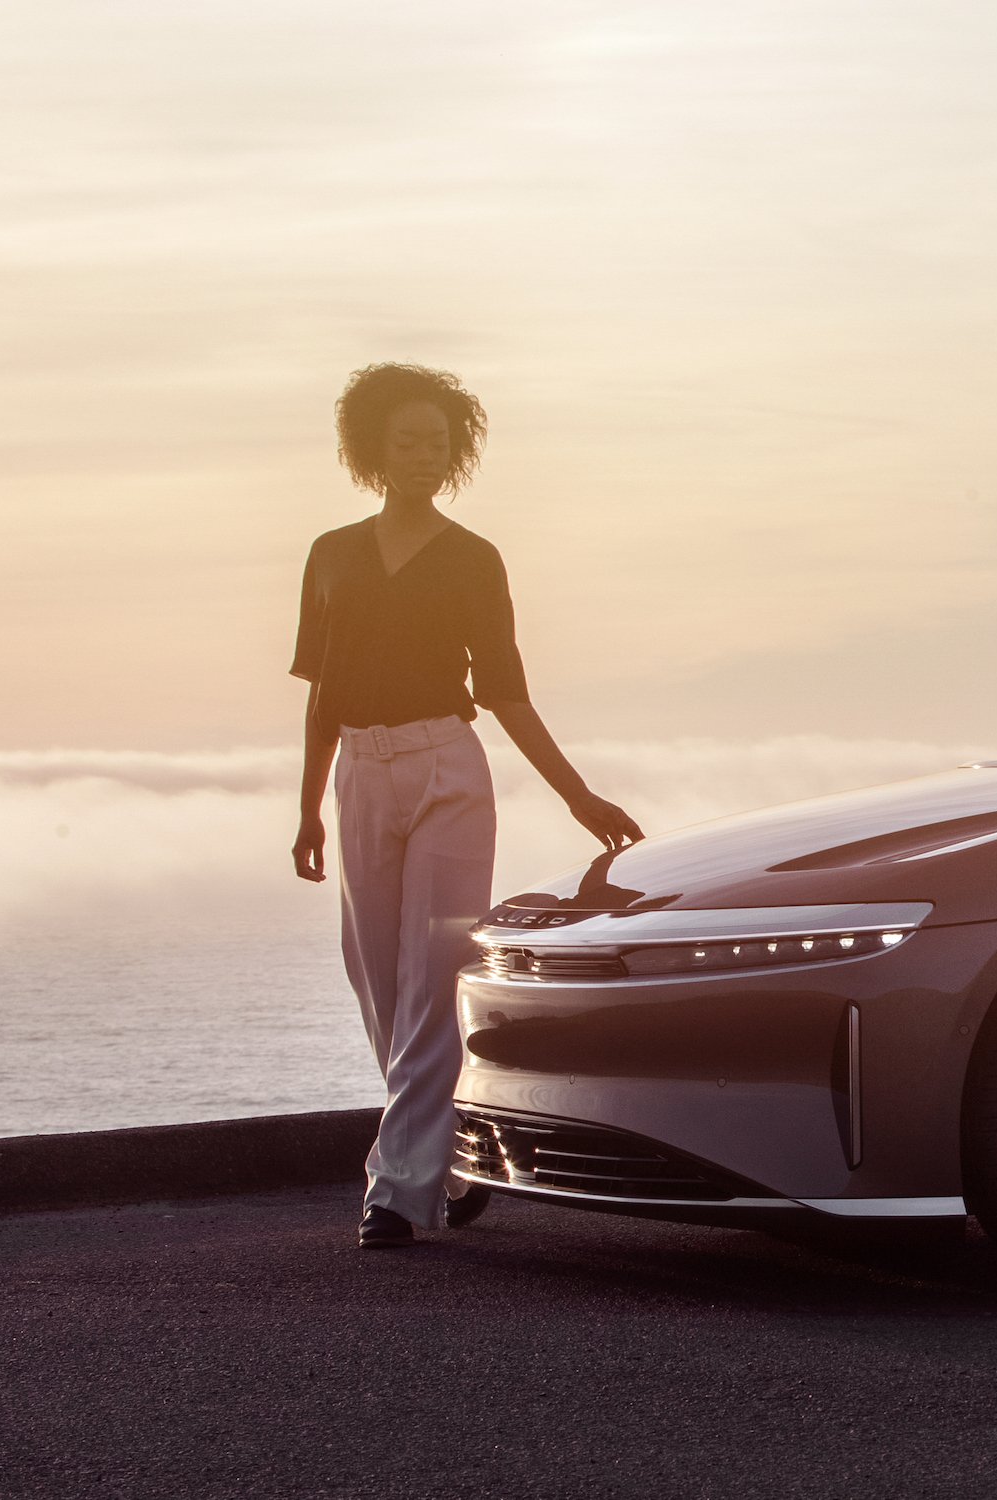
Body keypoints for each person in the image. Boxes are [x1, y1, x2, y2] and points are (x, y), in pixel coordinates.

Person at [288, 363, 643, 1249]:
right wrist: (308, 809)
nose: (422, 457)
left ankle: (395, 1194)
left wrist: (577, 794)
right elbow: (321, 694)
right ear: (373, 449)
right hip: (360, 773)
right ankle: (442, 1156)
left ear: (457, 454)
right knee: (374, 976)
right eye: (406, 441)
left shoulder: (475, 558)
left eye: (437, 444)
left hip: (448, 766)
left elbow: (508, 695)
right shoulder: (330, 553)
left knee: (433, 973)